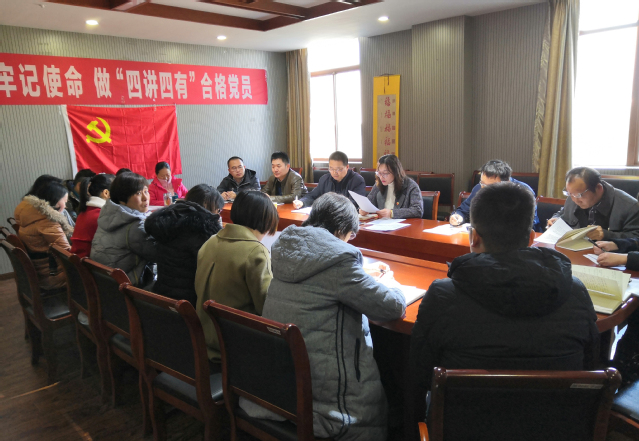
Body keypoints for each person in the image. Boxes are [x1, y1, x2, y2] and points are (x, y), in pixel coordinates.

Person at [409, 182, 599, 435]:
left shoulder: (443, 295)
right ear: (531, 238)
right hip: (556, 429)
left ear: (473, 237)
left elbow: (419, 375)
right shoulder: (575, 291)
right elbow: (590, 369)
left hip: (464, 429)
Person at [243, 193, 406, 441]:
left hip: (279, 388)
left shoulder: (286, 249)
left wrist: (360, 274)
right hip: (327, 405)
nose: (348, 242)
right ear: (340, 230)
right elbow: (392, 306)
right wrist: (391, 282)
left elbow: (324, 275)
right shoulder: (340, 262)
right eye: (350, 236)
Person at [195, 190, 279, 361]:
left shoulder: (210, 241)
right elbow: (266, 307)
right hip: (235, 345)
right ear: (265, 220)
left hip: (202, 337)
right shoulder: (255, 251)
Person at [145, 185, 224, 307]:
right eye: (218, 210)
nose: (218, 215)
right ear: (206, 207)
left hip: (162, 293)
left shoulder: (171, 220)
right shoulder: (200, 232)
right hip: (188, 302)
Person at [91, 172, 157, 287]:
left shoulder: (109, 214)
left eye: (146, 191)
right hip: (127, 287)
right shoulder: (134, 227)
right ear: (122, 199)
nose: (145, 198)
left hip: (105, 283)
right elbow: (159, 255)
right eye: (138, 193)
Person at [548, 167, 639, 240]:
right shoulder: (573, 196)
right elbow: (563, 212)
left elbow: (636, 238)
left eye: (579, 195)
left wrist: (607, 235)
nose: (575, 200)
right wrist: (556, 218)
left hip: (607, 254)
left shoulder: (630, 207)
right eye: (569, 193)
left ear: (599, 188)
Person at [14, 181, 73, 291]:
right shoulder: (47, 221)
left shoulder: (31, 214)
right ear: (55, 200)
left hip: (41, 269)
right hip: (53, 274)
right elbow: (67, 253)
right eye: (65, 201)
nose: (65, 206)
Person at [450, 160, 540, 231]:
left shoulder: (523, 192)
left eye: (490, 186)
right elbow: (463, 210)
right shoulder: (479, 188)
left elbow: (530, 225)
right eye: (482, 183)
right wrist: (458, 217)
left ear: (506, 182)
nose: (484, 189)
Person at [292, 151, 366, 209]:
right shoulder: (325, 179)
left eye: (338, 169)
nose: (334, 172)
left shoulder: (357, 180)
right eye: (331, 168)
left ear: (347, 167)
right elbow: (312, 195)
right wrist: (302, 202)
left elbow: (354, 203)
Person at [359, 154, 423, 218]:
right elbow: (368, 203)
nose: (381, 177)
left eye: (385, 173)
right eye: (379, 173)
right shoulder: (378, 185)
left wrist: (392, 213)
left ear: (395, 172)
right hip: (381, 222)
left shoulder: (411, 186)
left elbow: (418, 210)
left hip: (403, 223)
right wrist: (363, 209)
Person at [70, 173, 114, 258]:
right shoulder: (101, 215)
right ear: (106, 193)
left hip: (81, 261)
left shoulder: (86, 211)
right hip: (90, 263)